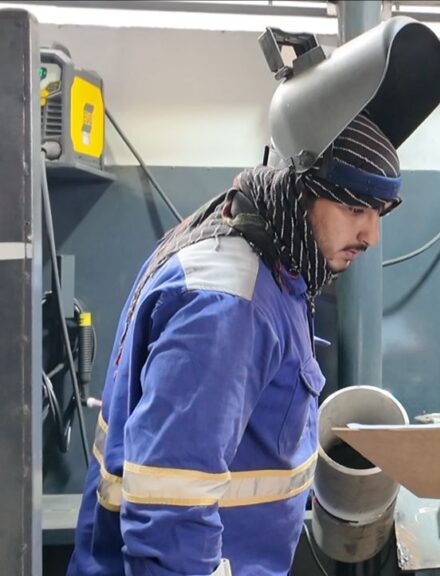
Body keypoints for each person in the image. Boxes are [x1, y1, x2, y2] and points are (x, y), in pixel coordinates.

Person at [68, 112, 403, 576]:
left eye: (378, 212)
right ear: (298, 189)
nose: (371, 235)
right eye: (355, 209)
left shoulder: (267, 256)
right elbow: (171, 509)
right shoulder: (229, 305)